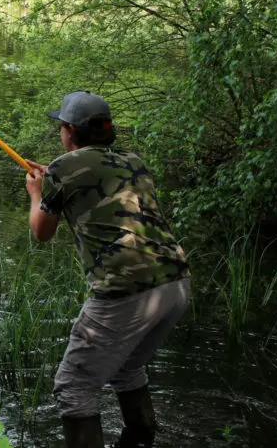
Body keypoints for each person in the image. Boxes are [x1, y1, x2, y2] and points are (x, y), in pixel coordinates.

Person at [24, 91, 191, 448]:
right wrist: (53, 181)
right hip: (175, 283)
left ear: (70, 130)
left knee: (73, 387)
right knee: (128, 368)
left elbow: (42, 232)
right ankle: (141, 439)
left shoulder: (62, 168)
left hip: (125, 291)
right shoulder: (134, 161)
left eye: (60, 127)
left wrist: (37, 193)